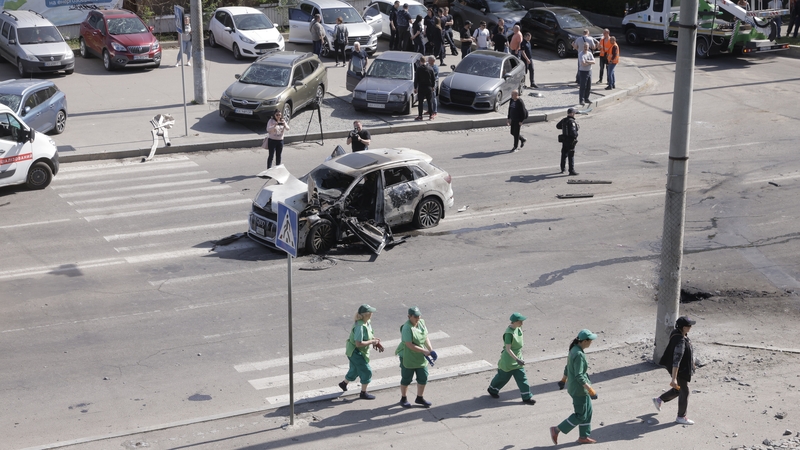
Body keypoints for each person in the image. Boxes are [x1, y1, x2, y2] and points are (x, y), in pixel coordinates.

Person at [550, 329, 599, 445]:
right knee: (580, 415)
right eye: (590, 341)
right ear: (584, 341)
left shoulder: (574, 349)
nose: (591, 343)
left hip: (577, 388)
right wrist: (591, 390)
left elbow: (568, 367)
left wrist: (563, 380)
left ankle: (583, 436)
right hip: (579, 390)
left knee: (588, 411)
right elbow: (579, 376)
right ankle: (556, 429)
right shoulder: (579, 354)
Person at [653, 316, 697, 425]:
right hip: (680, 370)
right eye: (688, 325)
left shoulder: (678, 333)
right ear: (682, 327)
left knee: (679, 390)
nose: (691, 327)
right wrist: (674, 379)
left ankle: (659, 400)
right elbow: (676, 361)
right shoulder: (680, 341)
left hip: (679, 369)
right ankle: (681, 417)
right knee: (684, 391)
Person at [487, 313, 536, 404]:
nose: (522, 323)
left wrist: (519, 359)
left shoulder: (518, 328)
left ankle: (526, 397)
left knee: (522, 379)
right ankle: (492, 390)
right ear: (514, 322)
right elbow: (508, 349)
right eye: (520, 321)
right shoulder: (509, 334)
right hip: (508, 361)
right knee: (502, 377)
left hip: (518, 360)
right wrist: (517, 359)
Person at [338, 304, 382, 400]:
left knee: (355, 369)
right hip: (355, 352)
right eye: (370, 312)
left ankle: (343, 383)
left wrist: (374, 339)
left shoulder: (367, 322)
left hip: (356, 351)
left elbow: (368, 335)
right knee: (366, 371)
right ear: (366, 314)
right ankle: (363, 393)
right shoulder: (360, 327)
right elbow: (358, 343)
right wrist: (372, 342)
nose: (372, 314)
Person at [395, 306, 434, 408]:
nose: (418, 318)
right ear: (409, 316)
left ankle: (419, 398)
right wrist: (424, 351)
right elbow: (409, 345)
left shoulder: (421, 323)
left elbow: (425, 337)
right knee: (406, 379)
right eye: (415, 316)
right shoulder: (406, 328)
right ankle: (403, 398)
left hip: (420, 356)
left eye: (419, 315)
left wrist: (430, 350)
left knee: (423, 377)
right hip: (408, 356)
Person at [556, 108, 579, 176]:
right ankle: (571, 170)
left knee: (564, 154)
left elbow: (558, 126)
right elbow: (573, 132)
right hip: (570, 141)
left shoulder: (564, 120)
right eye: (574, 113)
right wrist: (576, 135)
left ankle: (562, 168)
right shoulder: (571, 122)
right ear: (571, 113)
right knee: (571, 155)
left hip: (564, 140)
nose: (574, 114)